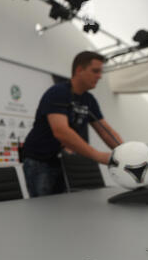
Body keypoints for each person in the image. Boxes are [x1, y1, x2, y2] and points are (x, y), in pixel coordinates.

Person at [22, 51, 123, 198]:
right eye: (95, 71)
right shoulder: (58, 92)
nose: (100, 76)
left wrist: (127, 152)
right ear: (79, 70)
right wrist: (98, 156)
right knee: (43, 211)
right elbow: (61, 131)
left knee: (65, 208)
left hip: (65, 162)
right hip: (40, 160)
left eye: (100, 72)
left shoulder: (89, 99)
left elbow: (106, 132)